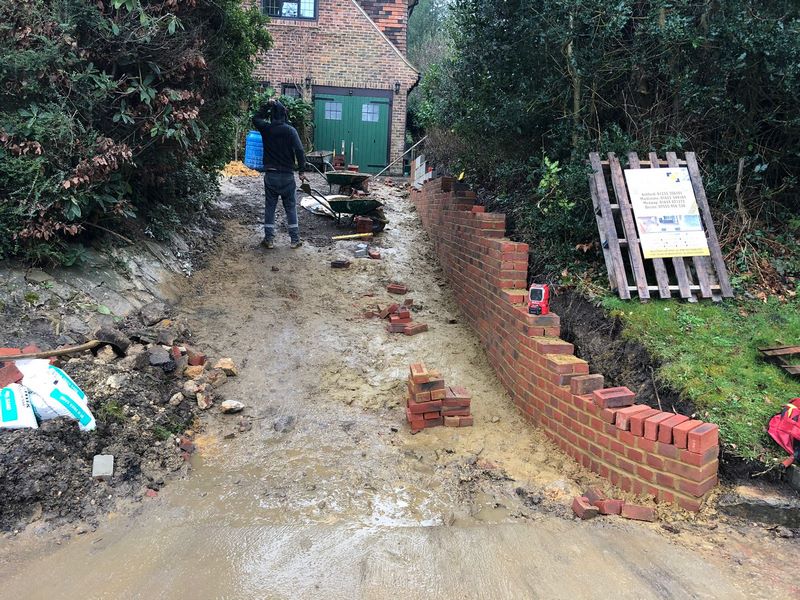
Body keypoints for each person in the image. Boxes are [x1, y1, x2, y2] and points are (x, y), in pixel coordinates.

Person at [252, 99, 307, 249]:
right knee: (290, 207)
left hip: (271, 176)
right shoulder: (290, 131)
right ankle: (295, 240)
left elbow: (255, 118)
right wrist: (301, 170)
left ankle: (269, 240)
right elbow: (300, 151)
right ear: (284, 115)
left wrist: (266, 105)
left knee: (270, 207)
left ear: (272, 115)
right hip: (288, 176)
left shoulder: (266, 129)